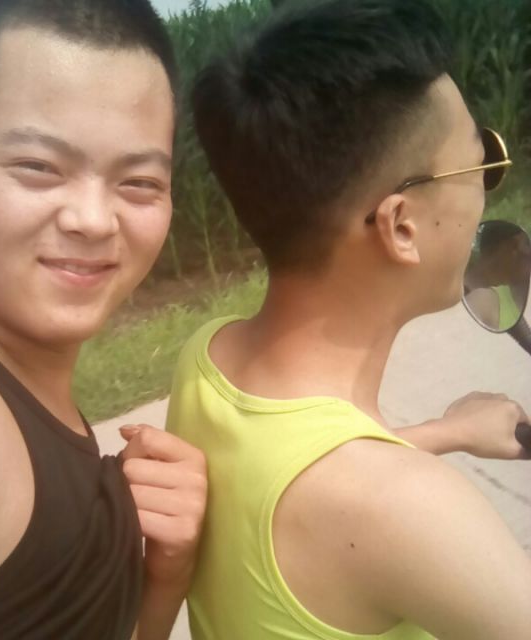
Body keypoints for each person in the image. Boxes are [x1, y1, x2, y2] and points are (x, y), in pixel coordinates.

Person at [166, 0, 531, 638]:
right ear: (401, 226)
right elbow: (363, 499)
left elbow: (285, 475)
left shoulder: (205, 358)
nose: (487, 189)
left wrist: (447, 431)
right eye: (484, 164)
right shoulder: (413, 512)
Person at [0, 1, 207, 638]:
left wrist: (163, 576)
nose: (93, 220)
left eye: (139, 182)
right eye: (37, 168)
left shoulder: (11, 371)